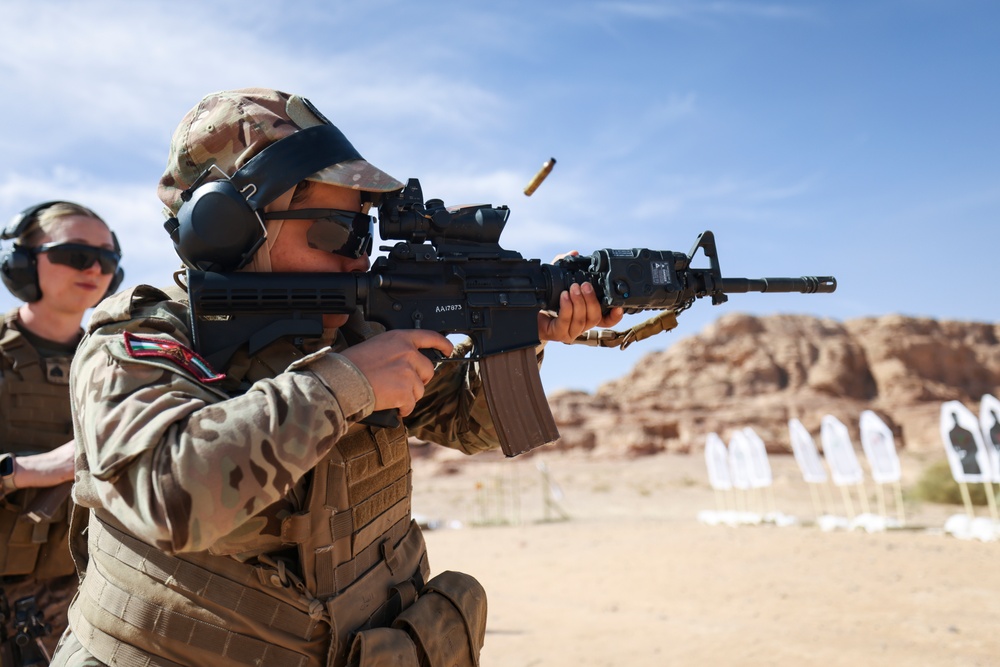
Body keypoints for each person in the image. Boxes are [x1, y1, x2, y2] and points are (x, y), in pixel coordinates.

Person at [51, 88, 622, 667]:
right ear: (229, 229)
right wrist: (343, 385)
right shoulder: (139, 344)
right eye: (337, 232)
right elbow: (166, 496)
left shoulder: (354, 327)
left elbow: (473, 427)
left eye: (364, 235)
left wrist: (520, 334)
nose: (358, 259)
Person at [0, 200, 123, 662]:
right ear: (21, 264)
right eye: (75, 254)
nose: (95, 268)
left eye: (108, 259)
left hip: (82, 603)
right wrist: (31, 470)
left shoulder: (122, 367)